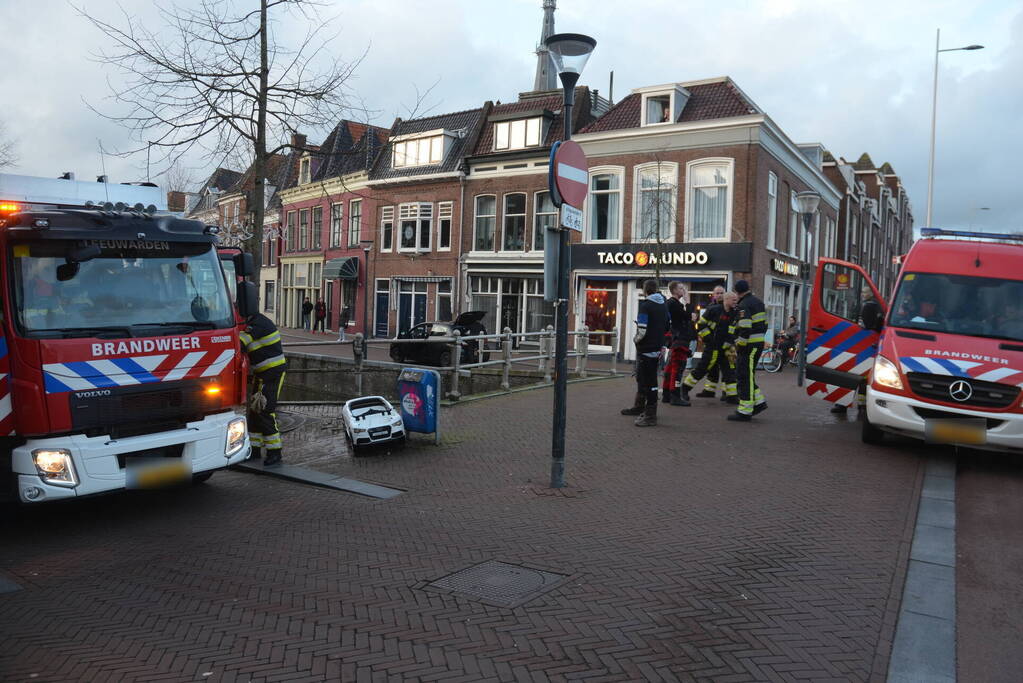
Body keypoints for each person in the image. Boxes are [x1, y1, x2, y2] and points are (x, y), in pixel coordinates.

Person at [240, 312, 288, 467]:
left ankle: (275, 452)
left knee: (265, 411)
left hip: (272, 374)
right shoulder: (253, 322)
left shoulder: (258, 324)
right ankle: (254, 450)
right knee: (254, 412)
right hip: (261, 374)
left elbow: (240, 343)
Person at [621, 280, 669, 427]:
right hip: (657, 348)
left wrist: (636, 340)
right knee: (648, 379)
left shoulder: (646, 306)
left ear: (645, 290)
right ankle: (641, 408)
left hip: (646, 348)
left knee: (648, 381)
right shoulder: (664, 305)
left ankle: (650, 415)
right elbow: (668, 325)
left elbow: (642, 329)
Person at [682, 291, 738, 404]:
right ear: (726, 300)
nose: (736, 302)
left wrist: (730, 341)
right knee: (702, 369)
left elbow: (733, 330)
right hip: (712, 347)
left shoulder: (734, 313)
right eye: (734, 300)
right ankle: (684, 389)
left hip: (726, 348)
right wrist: (709, 339)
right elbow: (701, 324)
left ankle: (732, 396)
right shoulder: (714, 310)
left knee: (730, 371)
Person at [728, 280, 768, 422]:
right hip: (757, 344)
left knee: (744, 377)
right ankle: (759, 402)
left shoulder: (743, 305)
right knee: (748, 376)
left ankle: (745, 411)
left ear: (737, 292)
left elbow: (745, 328)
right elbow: (765, 324)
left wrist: (740, 345)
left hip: (748, 346)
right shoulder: (758, 302)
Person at [662, 281, 695, 406]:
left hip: (676, 339)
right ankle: (675, 396)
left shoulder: (671, 304)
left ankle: (666, 394)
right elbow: (690, 317)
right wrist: (688, 302)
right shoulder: (675, 304)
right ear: (674, 290)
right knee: (678, 368)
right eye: (681, 288)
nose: (684, 290)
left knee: (670, 367)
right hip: (680, 340)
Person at [694, 285, 726, 398]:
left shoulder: (728, 307)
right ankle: (709, 391)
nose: (719, 295)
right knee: (712, 368)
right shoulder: (711, 307)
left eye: (721, 293)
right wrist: (708, 338)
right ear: (713, 295)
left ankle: (727, 393)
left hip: (724, 344)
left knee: (726, 369)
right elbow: (702, 324)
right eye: (717, 293)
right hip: (712, 343)